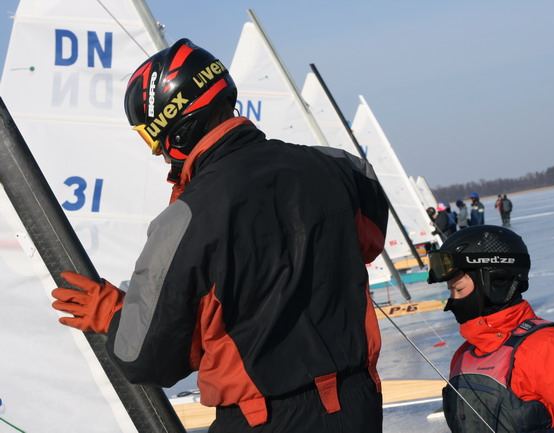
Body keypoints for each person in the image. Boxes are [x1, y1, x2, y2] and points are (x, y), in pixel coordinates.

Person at [50, 39, 387, 433]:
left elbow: (148, 359)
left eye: (151, 137)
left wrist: (116, 314)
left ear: (176, 129)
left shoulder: (185, 219)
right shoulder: (341, 169)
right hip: (357, 404)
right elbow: (369, 242)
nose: (156, 152)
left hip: (264, 419)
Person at [426, 226, 554, 433]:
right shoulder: (465, 354)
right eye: (451, 291)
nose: (453, 301)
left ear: (495, 282)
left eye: (459, 289)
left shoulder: (546, 347)